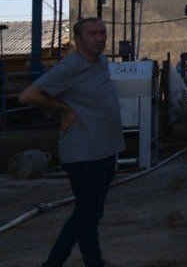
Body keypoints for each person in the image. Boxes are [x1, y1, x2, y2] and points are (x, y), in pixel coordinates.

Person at [19, 17, 125, 267]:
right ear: (78, 40)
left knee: (91, 213)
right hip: (84, 153)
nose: (100, 38)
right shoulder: (70, 67)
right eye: (92, 34)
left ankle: (92, 259)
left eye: (103, 33)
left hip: (105, 149)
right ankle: (56, 263)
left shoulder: (101, 62)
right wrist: (64, 110)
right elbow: (28, 95)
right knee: (86, 213)